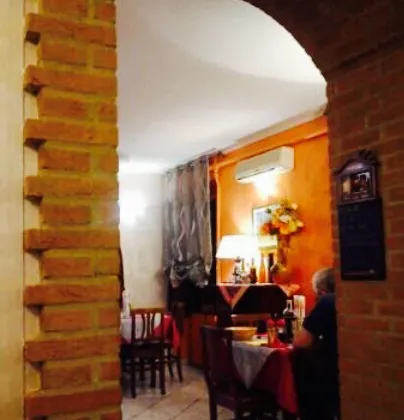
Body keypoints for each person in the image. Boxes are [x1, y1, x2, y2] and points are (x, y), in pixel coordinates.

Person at [292, 268, 340, 420]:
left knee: (300, 363)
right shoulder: (349, 299)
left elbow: (301, 341)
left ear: (322, 290)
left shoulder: (327, 301)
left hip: (335, 372)